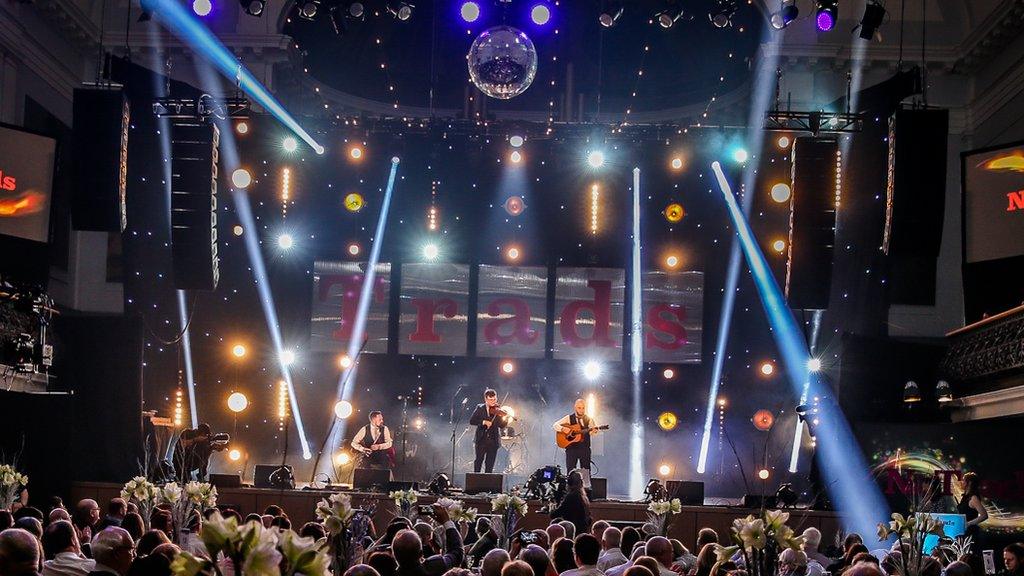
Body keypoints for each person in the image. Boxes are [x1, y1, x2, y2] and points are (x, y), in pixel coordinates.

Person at [392, 504, 464, 576]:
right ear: (421, 553)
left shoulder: (386, 571)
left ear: (394, 555)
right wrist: (446, 521)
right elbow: (456, 553)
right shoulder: (434, 567)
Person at [553, 399, 602, 473]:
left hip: (584, 449)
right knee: (571, 471)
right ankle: (571, 484)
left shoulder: (589, 420)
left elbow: (591, 433)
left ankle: (586, 484)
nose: (581, 410)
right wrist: (563, 429)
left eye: (583, 408)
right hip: (571, 449)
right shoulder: (569, 418)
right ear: (575, 408)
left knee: (586, 471)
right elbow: (555, 425)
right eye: (579, 408)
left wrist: (594, 431)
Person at [469, 389, 510, 473]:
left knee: (490, 464)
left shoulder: (498, 410)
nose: (493, 401)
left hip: (493, 441)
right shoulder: (480, 408)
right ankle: (476, 481)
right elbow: (472, 421)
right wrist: (483, 422)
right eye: (491, 399)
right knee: (478, 461)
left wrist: (506, 418)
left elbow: (502, 425)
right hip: (481, 439)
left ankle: (487, 484)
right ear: (486, 399)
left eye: (495, 399)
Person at [551, 471, 591, 535]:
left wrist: (551, 510)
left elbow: (556, 513)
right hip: (583, 530)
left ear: (569, 483)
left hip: (573, 530)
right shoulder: (584, 497)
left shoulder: (571, 496)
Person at [958, 473, 989, 539]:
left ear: (969, 483)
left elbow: (984, 515)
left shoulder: (973, 498)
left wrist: (968, 523)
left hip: (970, 534)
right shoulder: (965, 497)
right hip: (963, 532)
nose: (961, 482)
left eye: (963, 480)